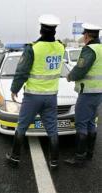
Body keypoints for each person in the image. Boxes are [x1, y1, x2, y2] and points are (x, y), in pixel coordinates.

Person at [6, 14, 65, 169]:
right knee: (52, 129)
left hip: (33, 96)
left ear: (40, 29)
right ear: (54, 31)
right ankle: (54, 162)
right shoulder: (61, 47)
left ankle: (14, 158)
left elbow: (22, 71)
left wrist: (14, 89)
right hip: (51, 96)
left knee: (22, 126)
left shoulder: (32, 48)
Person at [64, 23, 102, 167]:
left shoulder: (89, 49)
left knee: (81, 123)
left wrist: (69, 76)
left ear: (86, 36)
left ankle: (79, 158)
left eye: (83, 35)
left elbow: (80, 69)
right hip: (98, 93)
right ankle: (89, 154)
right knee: (91, 122)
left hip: (87, 93)